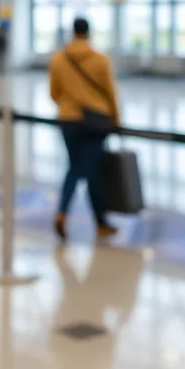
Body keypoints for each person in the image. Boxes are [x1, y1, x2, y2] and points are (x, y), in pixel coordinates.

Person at [48, 17, 119, 242]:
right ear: (88, 33)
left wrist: (70, 104)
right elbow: (110, 93)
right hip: (95, 122)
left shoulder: (59, 59)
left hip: (68, 120)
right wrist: (115, 120)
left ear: (72, 32)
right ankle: (100, 222)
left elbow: (53, 93)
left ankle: (62, 212)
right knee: (92, 172)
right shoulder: (100, 60)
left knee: (75, 167)